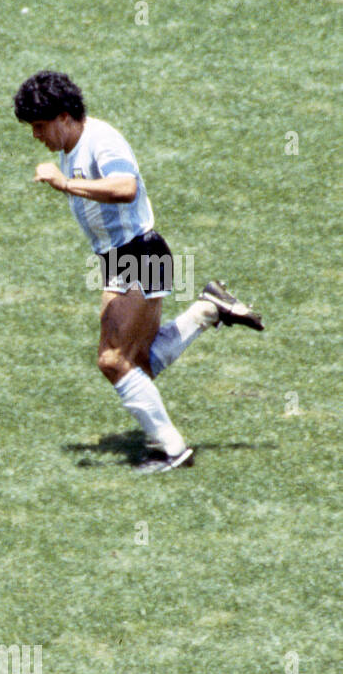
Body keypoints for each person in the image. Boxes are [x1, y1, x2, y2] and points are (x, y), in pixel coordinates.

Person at [14, 70, 264, 472]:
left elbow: (125, 186)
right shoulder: (72, 147)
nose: (36, 136)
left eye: (40, 126)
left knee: (113, 360)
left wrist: (64, 185)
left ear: (64, 116)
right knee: (137, 364)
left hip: (138, 254)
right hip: (119, 261)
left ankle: (174, 450)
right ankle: (207, 310)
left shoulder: (100, 140)